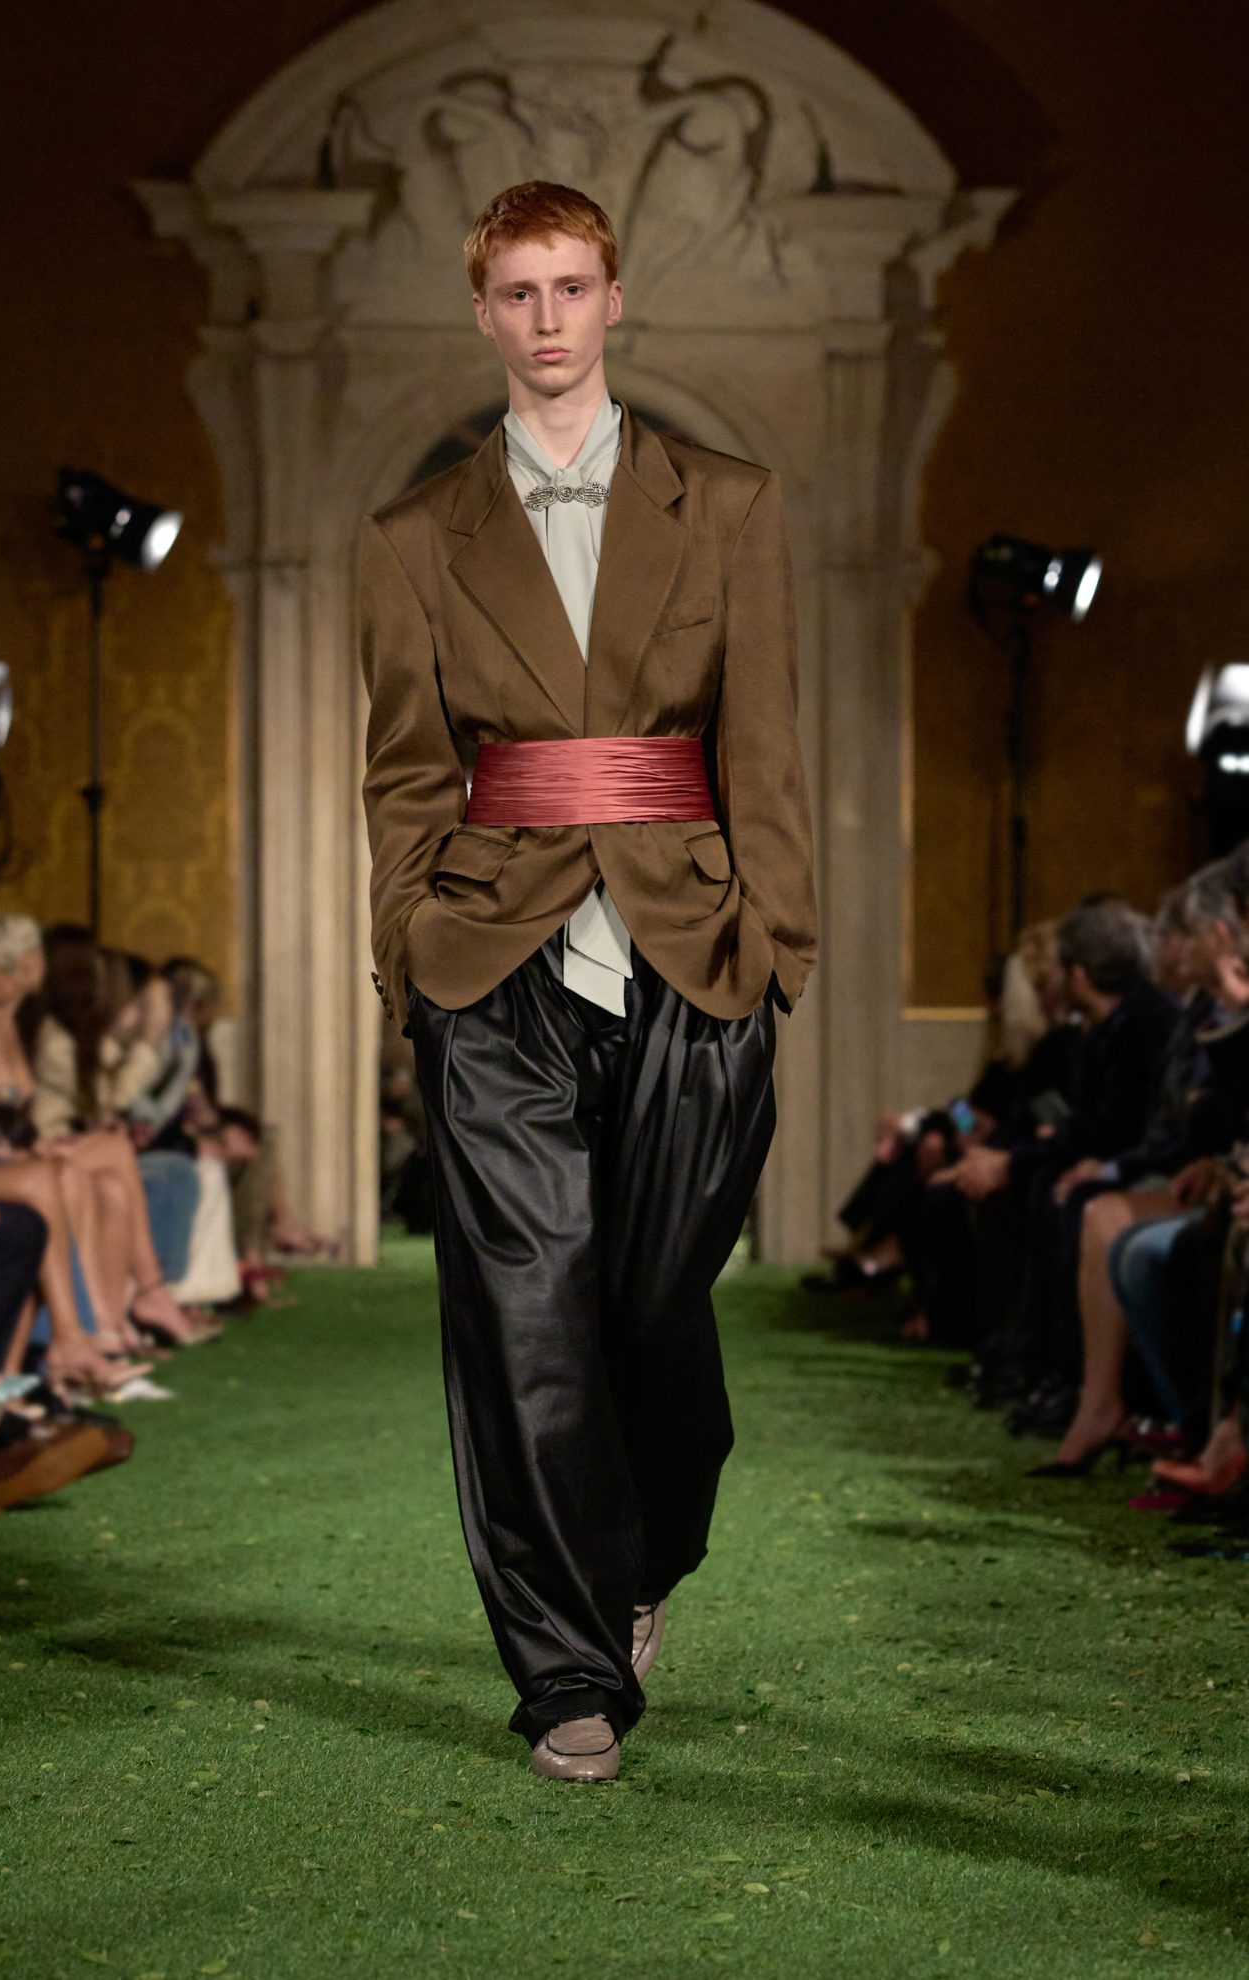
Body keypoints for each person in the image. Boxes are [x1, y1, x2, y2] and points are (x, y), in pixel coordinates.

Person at [359, 181, 817, 1781]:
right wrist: (410, 952)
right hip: (492, 960)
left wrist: (779, 948)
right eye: (517, 292)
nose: (546, 318)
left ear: (614, 299)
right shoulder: (411, 538)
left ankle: (643, 1555)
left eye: (571, 287)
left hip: (693, 951)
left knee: (651, 1309)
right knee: (524, 1319)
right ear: (483, 312)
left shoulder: (733, 504)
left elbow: (765, 741)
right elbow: (405, 773)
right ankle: (564, 1670)